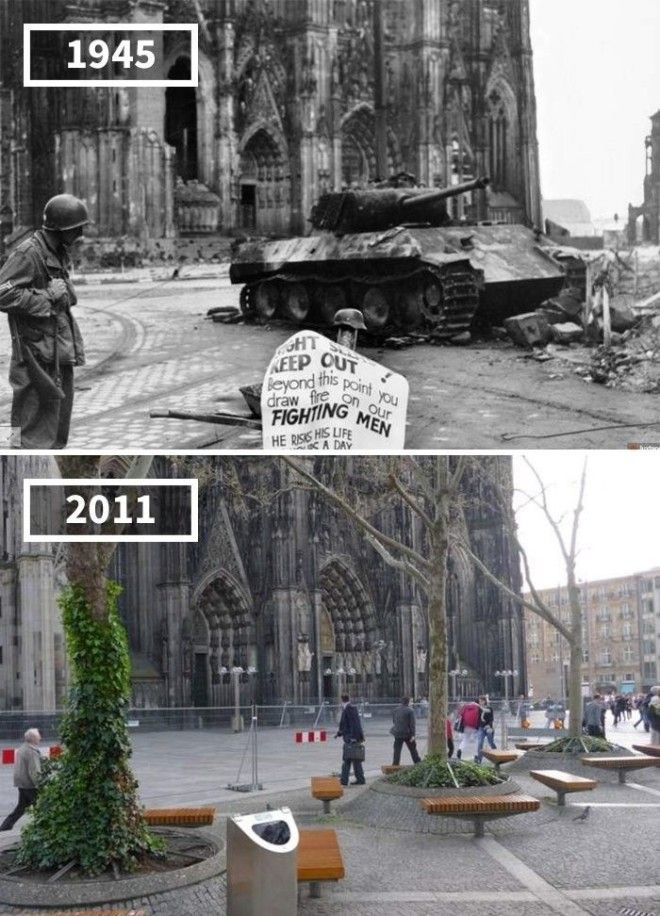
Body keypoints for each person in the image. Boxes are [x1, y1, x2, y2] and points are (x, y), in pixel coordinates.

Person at [0, 194, 88, 448]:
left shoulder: (57, 252)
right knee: (26, 429)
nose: (80, 233)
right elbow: (3, 293)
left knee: (56, 427)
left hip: (57, 351)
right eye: (77, 228)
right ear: (62, 228)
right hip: (32, 355)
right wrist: (47, 296)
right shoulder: (28, 252)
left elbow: (66, 296)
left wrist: (64, 293)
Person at [0, 728, 42, 830]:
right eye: (38, 736)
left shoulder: (22, 748)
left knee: (21, 808)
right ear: (33, 738)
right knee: (41, 807)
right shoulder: (32, 752)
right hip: (30, 785)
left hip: (21, 783)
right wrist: (40, 784)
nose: (40, 738)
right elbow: (34, 771)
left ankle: (5, 826)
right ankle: (42, 828)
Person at [335, 694, 365, 786]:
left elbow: (354, 724)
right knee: (356, 760)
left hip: (352, 738)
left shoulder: (349, 709)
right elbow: (346, 725)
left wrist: (353, 738)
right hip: (353, 737)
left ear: (341, 700)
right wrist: (339, 733)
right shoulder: (349, 708)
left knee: (347, 760)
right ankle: (360, 779)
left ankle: (344, 780)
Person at [390, 696, 421, 765]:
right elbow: (412, 724)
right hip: (407, 733)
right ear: (408, 702)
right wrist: (413, 735)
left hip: (397, 732)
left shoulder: (395, 710)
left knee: (397, 750)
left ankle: (395, 764)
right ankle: (417, 762)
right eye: (411, 701)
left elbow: (394, 721)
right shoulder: (410, 710)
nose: (412, 703)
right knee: (413, 749)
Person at [475, 695, 497, 763]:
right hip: (481, 728)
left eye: (481, 701)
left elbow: (491, 719)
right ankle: (479, 759)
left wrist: (489, 725)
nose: (480, 702)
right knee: (480, 743)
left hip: (488, 728)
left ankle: (496, 754)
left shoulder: (489, 708)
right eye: (479, 701)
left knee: (491, 742)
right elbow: (477, 718)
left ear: (484, 701)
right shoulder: (478, 709)